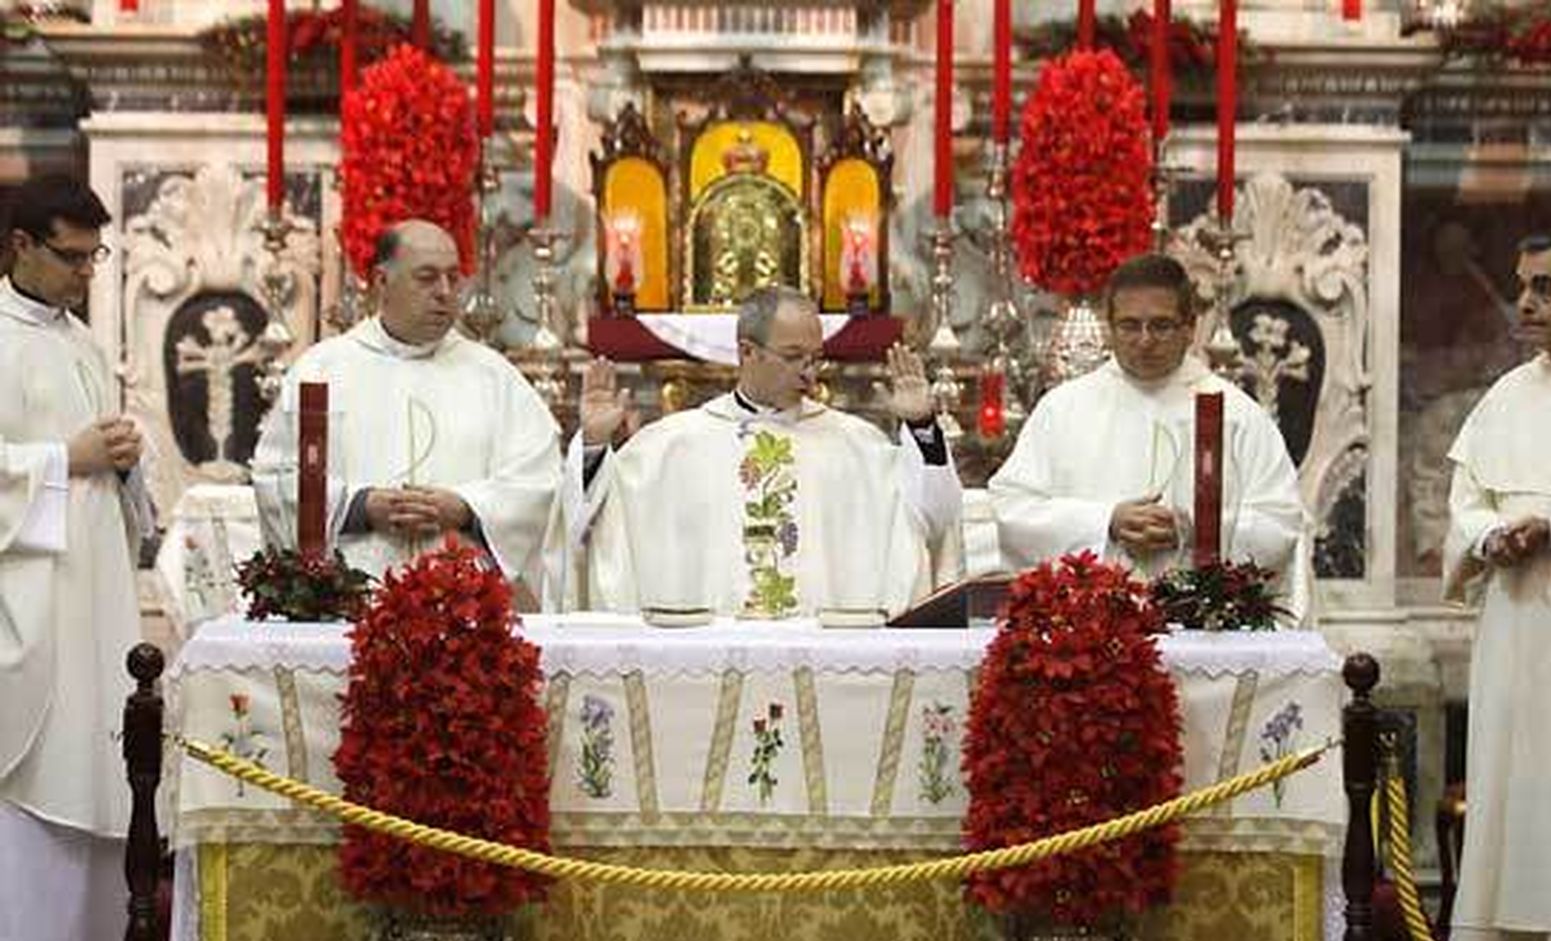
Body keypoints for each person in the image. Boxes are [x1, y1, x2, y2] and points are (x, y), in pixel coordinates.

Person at [549, 285, 963, 616]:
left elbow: (935, 516)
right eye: (793, 357)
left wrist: (922, 426)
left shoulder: (858, 446)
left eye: (816, 359)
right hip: (710, 664)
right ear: (747, 352)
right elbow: (589, 524)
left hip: (824, 659)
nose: (809, 373)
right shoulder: (670, 446)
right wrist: (595, 443)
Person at [1443, 231, 1551, 941]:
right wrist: (1487, 537)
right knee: (1507, 800)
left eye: (1546, 287)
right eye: (1523, 286)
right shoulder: (1506, 395)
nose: (1526, 303)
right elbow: (1464, 501)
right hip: (1510, 625)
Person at [0, 175, 147, 941]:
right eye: (71, 257)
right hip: (25, 606)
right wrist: (66, 459)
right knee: (29, 796)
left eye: (97, 257)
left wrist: (123, 458)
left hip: (92, 600)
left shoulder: (84, 342)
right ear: (20, 245)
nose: (87, 274)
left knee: (98, 776)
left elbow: (106, 467)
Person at [988, 253, 1312, 622]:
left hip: (1204, 626)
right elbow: (1012, 509)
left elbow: (1279, 523)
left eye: (1161, 326)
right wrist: (1105, 522)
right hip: (1087, 628)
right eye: (1129, 326)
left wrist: (1193, 529)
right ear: (1109, 326)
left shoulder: (1236, 414)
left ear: (1190, 327)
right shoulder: (1063, 409)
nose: (1144, 341)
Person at [253, 220, 561, 590]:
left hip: (463, 601)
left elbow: (539, 482)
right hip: (349, 597)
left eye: (453, 278)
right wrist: (360, 506)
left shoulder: (494, 377)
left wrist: (466, 508)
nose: (444, 292)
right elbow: (276, 480)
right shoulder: (322, 370)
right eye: (427, 278)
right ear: (381, 282)